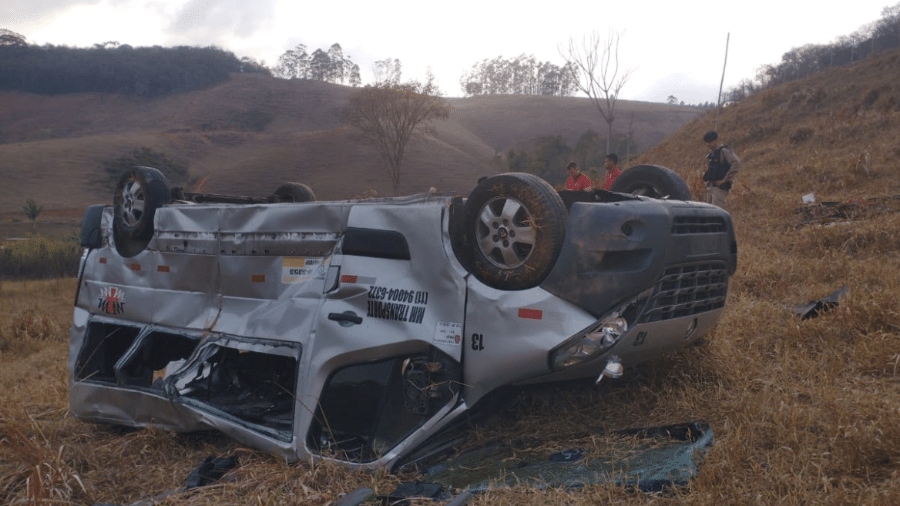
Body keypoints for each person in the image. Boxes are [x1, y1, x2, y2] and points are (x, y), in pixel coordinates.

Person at [702, 131, 740, 208]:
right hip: (710, 187)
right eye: (707, 142)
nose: (708, 144)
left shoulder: (724, 151)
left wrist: (725, 179)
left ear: (716, 141)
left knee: (716, 214)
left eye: (710, 142)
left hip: (719, 188)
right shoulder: (710, 154)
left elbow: (736, 164)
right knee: (709, 214)